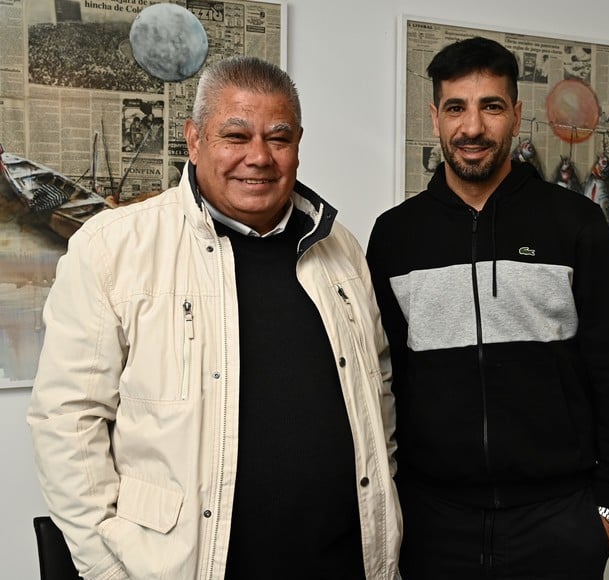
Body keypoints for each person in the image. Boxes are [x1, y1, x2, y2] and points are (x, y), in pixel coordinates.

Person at [28, 56, 400, 580]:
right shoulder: (114, 247)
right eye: (235, 135)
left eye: (278, 137)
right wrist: (107, 571)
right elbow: (67, 421)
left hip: (342, 561)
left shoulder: (340, 249)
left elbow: (377, 393)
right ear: (194, 140)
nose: (258, 157)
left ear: (298, 143)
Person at [366, 37, 609, 580]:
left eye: (491, 106)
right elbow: (383, 381)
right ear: (435, 117)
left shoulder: (575, 225)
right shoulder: (396, 236)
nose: (472, 127)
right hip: (434, 524)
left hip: (559, 522)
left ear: (517, 115)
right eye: (456, 107)